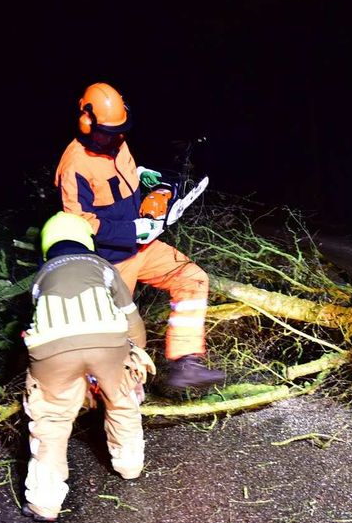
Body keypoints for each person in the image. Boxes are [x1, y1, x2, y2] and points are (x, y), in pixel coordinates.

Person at [54, 82, 225, 390]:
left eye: (120, 130)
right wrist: (131, 230)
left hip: (141, 247)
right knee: (114, 334)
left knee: (192, 278)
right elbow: (78, 224)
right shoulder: (74, 166)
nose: (116, 137)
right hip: (109, 262)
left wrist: (141, 173)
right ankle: (104, 400)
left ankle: (186, 362)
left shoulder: (117, 143)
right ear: (87, 123)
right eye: (108, 132)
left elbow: (118, 180)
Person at [21, 211, 155, 522]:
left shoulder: (40, 277)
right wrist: (135, 357)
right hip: (108, 342)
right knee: (122, 401)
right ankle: (130, 465)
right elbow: (131, 320)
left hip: (51, 350)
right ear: (86, 241)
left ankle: (44, 502)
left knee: (51, 420)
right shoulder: (104, 268)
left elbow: (34, 325)